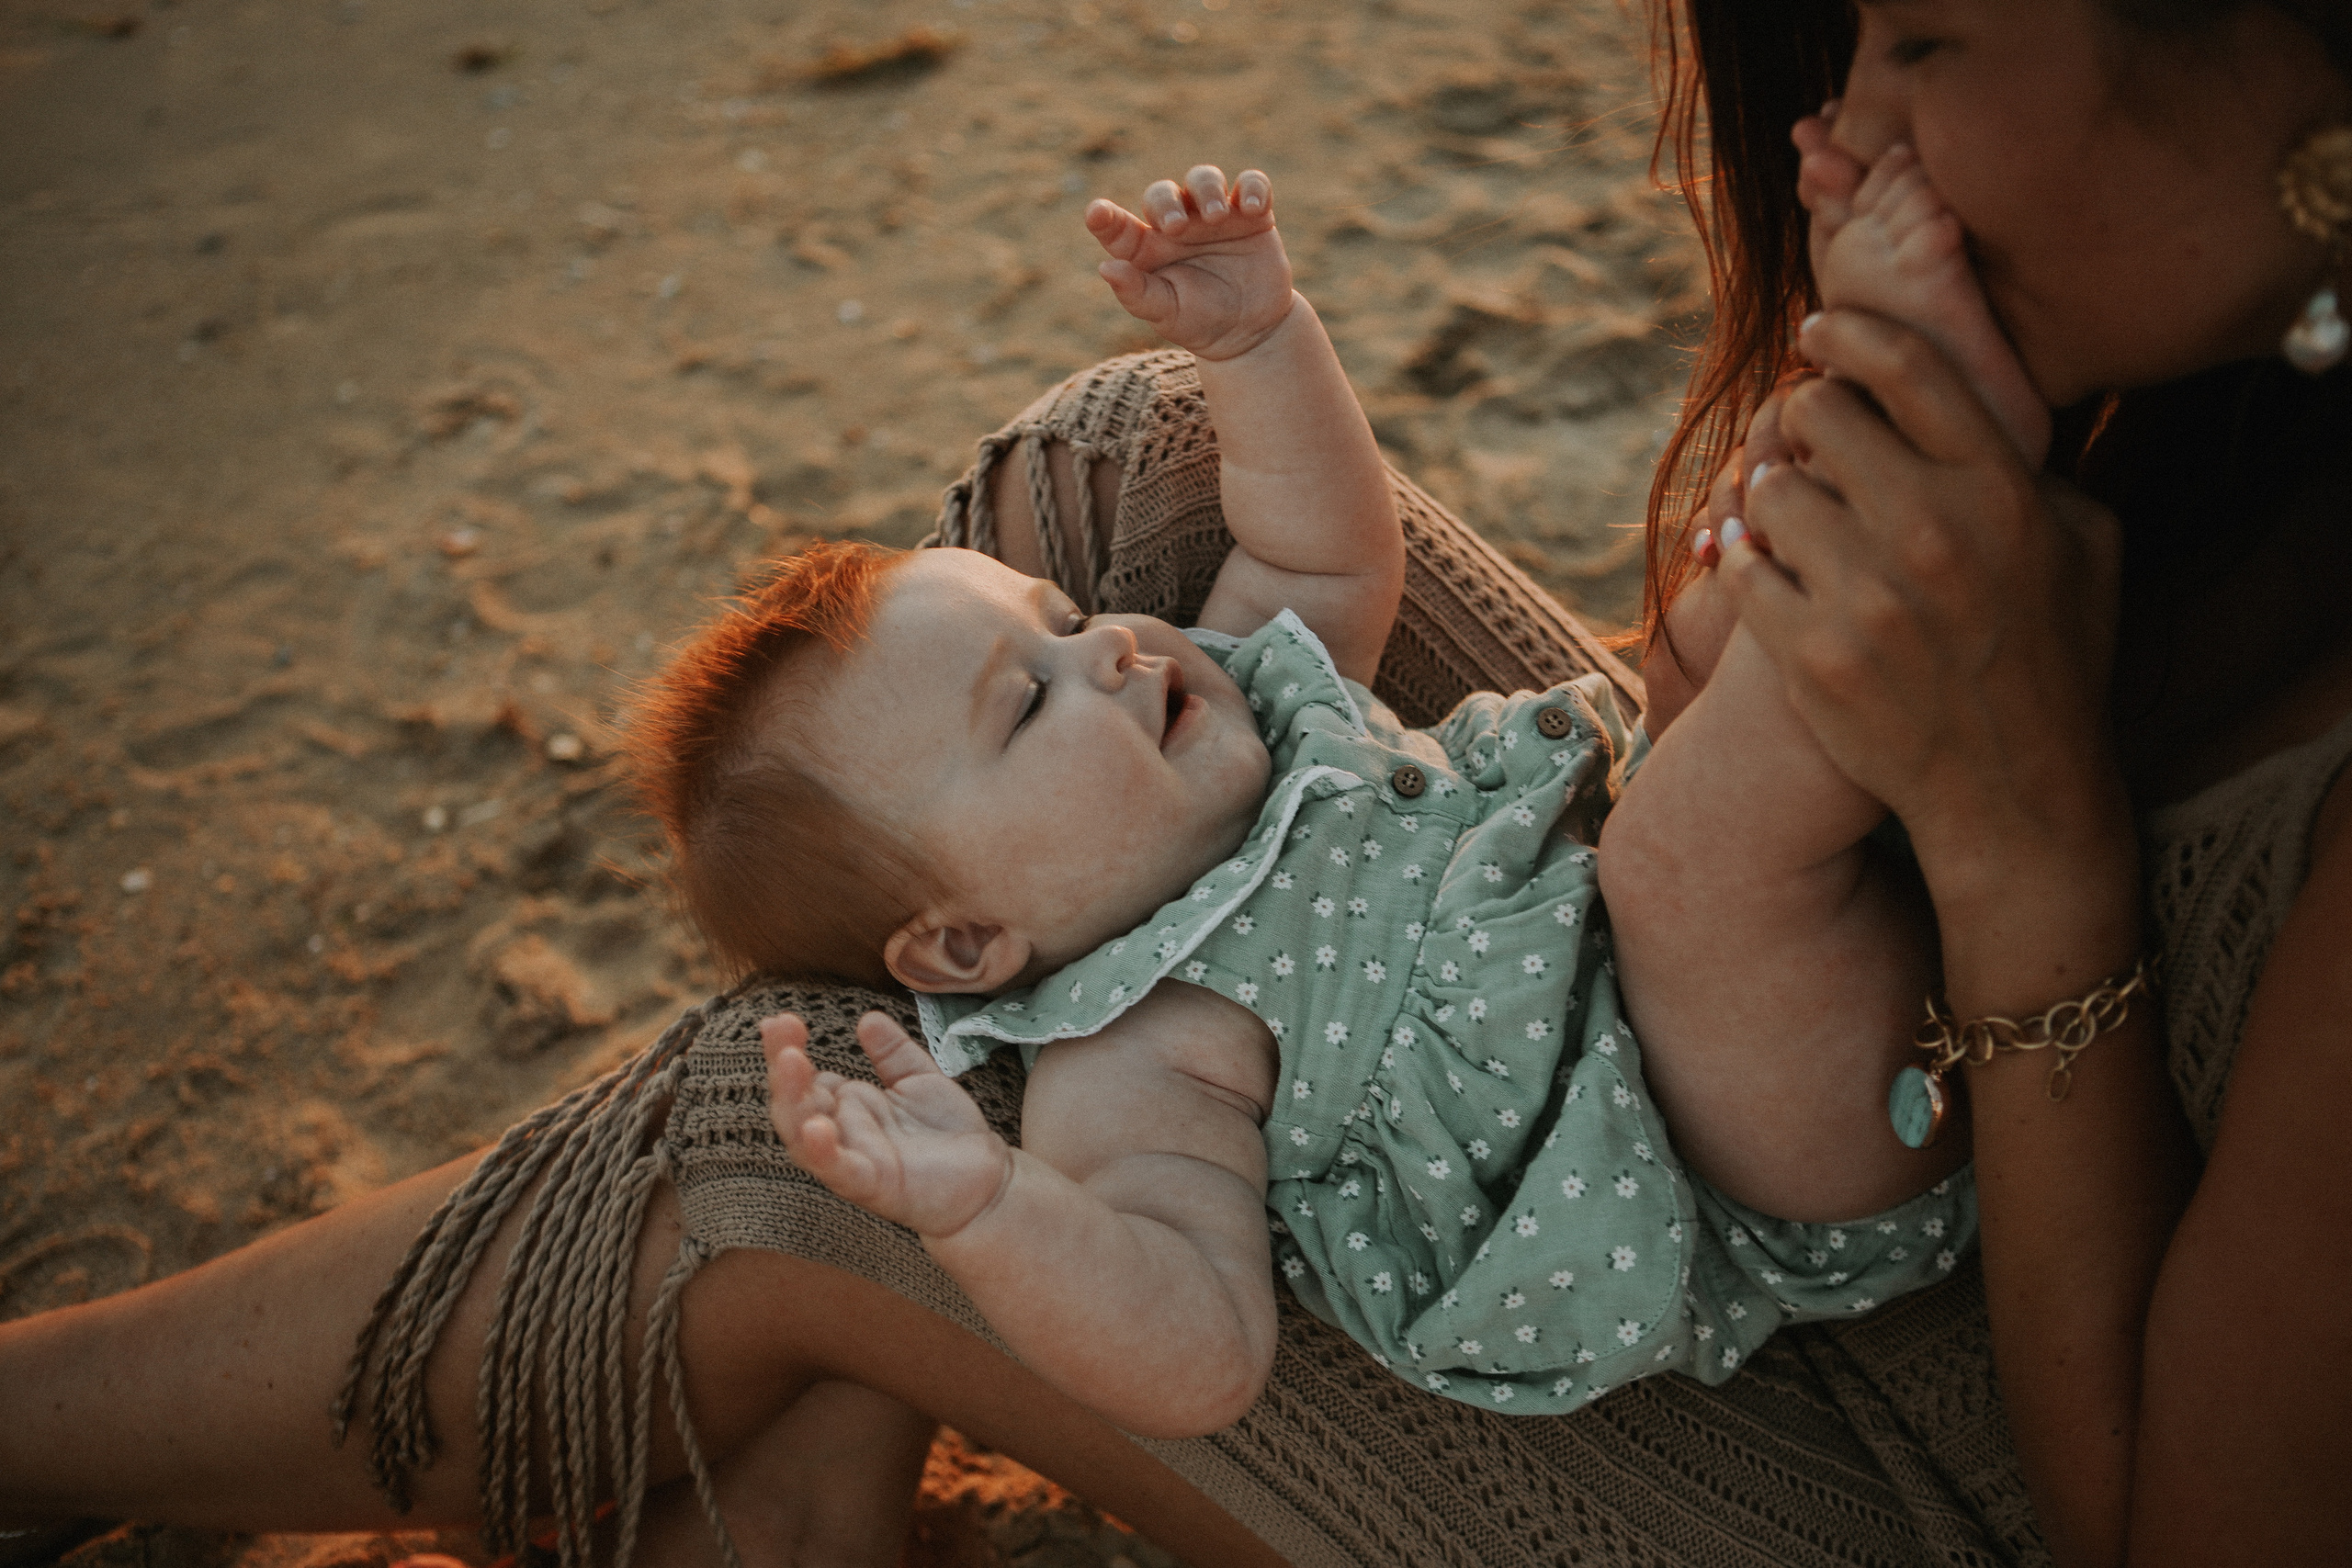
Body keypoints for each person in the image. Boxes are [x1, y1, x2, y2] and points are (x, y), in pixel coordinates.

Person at [2, 0, 2346, 1562]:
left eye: (1919, 38)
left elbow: (2172, 1526)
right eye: (1855, 35)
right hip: (1662, 1045)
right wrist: (996, 1209)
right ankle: (813, 1446)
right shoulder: (1146, 1034)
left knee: (790, 1116)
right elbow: (1189, 1291)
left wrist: (2023, 834)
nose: (1847, 108)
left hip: (1927, 1405)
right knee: (1131, 457)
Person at [746, 160, 1968, 1437]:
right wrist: (991, 1209)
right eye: (1028, 703)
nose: (1105, 644)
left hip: (1757, 950)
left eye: (1060, 620)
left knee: (1706, 634)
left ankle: (1890, 441)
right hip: (1747, 1155)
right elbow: (1202, 1351)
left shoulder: (1247, 705)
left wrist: (1258, 339)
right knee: (1701, 833)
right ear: (965, 944)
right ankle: (1912, 408)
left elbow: (1319, 546)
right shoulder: (1136, 1055)